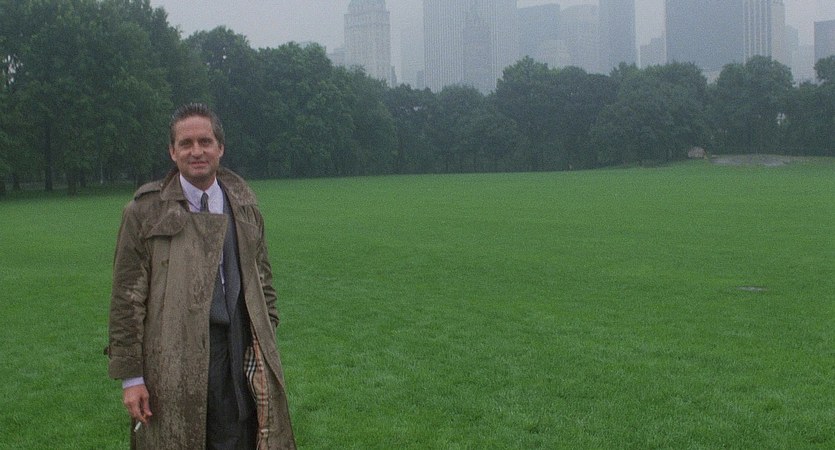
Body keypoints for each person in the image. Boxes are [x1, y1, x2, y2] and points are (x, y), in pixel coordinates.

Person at [107, 103, 295, 449]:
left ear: (220, 148)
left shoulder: (245, 206)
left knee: (241, 438)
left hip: (238, 347)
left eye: (205, 142)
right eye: (186, 143)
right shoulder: (144, 212)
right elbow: (126, 300)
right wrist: (132, 378)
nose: (197, 151)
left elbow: (263, 280)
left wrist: (266, 330)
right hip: (171, 357)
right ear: (172, 151)